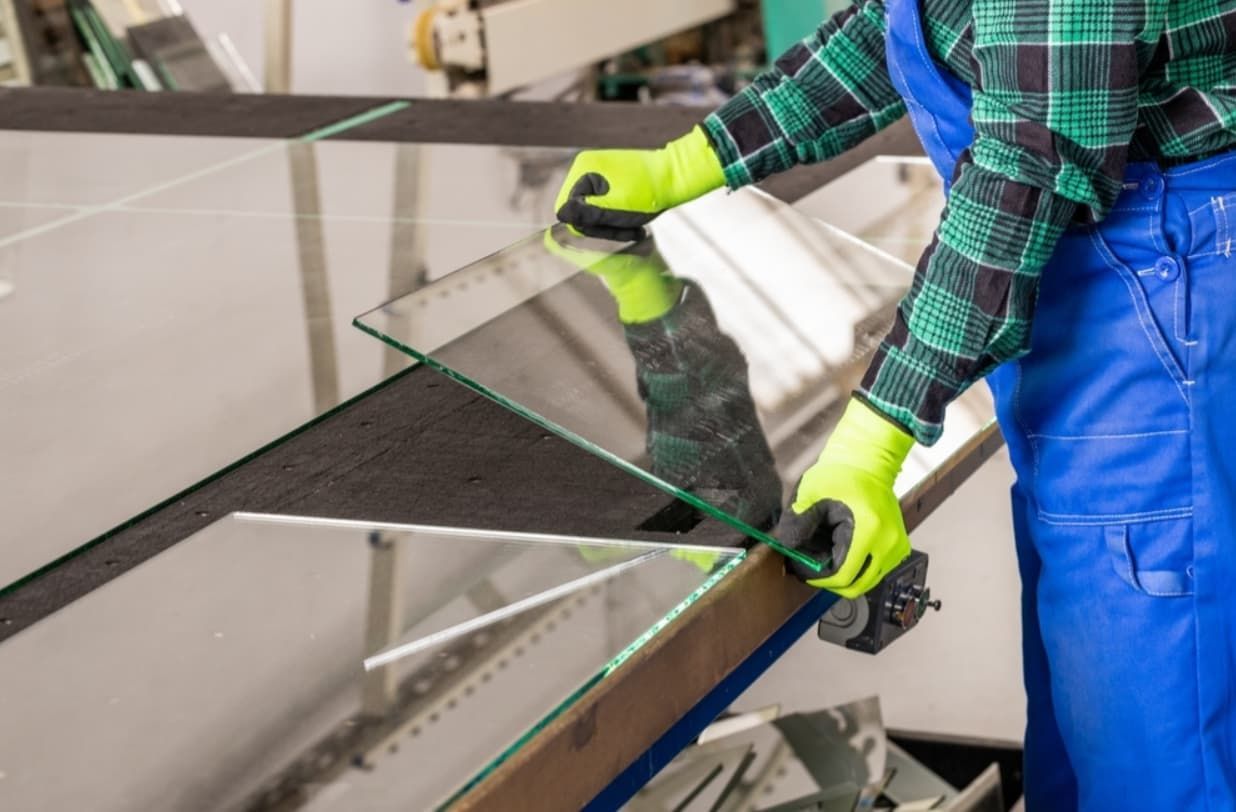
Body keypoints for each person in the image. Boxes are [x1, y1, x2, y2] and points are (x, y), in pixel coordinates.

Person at [553, 1, 1236, 809]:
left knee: (1157, 733)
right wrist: (695, 159)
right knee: (1085, 698)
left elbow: (1027, 169)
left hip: (1155, 286)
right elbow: (902, 21)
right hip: (1096, 283)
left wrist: (872, 441)